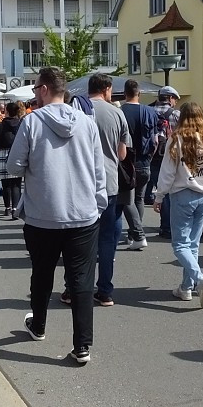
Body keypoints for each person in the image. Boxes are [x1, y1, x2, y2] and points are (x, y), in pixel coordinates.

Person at [9, 67, 106, 364]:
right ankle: (82, 346)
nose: (34, 92)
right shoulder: (87, 123)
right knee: (81, 280)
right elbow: (98, 168)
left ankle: (38, 324)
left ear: (44, 89)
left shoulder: (31, 123)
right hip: (83, 213)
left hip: (43, 213)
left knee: (42, 273)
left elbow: (14, 166)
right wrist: (98, 202)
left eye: (36, 87)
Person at [155, 102, 203, 307]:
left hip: (182, 194)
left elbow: (168, 172)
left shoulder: (176, 139)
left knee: (180, 245)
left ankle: (199, 279)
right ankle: (186, 287)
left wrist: (159, 196)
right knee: (193, 244)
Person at [86, 72, 131, 307]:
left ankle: (73, 289)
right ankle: (105, 291)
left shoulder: (79, 109)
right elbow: (123, 153)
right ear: (106, 89)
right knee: (107, 240)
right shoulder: (116, 113)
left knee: (81, 240)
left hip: (84, 184)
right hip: (110, 183)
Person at [120, 79, 159, 250]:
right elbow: (156, 140)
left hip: (126, 162)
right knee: (139, 198)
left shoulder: (120, 112)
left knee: (126, 199)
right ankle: (133, 234)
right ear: (139, 93)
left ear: (124, 93)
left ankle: (137, 234)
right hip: (144, 161)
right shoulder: (149, 111)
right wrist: (150, 157)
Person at [148, 86, 181, 237]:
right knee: (168, 191)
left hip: (151, 156)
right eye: (174, 99)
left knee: (156, 189)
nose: (175, 102)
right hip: (170, 155)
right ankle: (168, 227)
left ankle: (164, 226)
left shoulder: (147, 111)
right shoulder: (175, 114)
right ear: (169, 98)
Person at [0, 102, 24, 220]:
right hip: (17, 153)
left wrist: (0, 145)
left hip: (3, 153)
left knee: (5, 183)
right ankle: (15, 208)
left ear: (7, 111)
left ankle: (7, 208)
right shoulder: (21, 124)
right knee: (16, 183)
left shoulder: (0, 125)